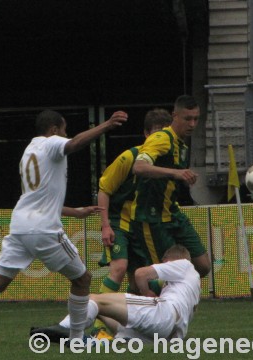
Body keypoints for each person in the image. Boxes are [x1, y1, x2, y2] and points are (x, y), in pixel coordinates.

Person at [0, 109, 128, 352]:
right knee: (82, 279)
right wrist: (106, 126)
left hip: (20, 226)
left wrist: (75, 211)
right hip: (44, 230)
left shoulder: (29, 151)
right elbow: (74, 144)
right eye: (63, 129)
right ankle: (76, 339)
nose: (65, 134)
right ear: (53, 130)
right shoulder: (52, 144)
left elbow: (38, 199)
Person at [93, 108, 172, 339]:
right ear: (145, 134)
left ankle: (130, 328)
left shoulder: (167, 164)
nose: (159, 140)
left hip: (143, 225)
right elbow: (104, 189)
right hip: (119, 222)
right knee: (118, 267)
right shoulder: (129, 158)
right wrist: (105, 225)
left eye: (164, 135)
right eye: (155, 134)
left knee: (142, 280)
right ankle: (99, 327)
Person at [31, 244, 200, 343]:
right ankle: (91, 342)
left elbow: (141, 274)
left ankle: (67, 329)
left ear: (168, 260)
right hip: (164, 334)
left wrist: (147, 292)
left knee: (91, 299)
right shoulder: (191, 288)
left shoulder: (184, 264)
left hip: (162, 314)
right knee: (99, 311)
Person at [131, 95, 211, 278]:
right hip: (151, 218)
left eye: (196, 119)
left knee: (203, 266)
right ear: (174, 115)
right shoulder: (161, 138)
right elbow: (139, 167)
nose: (192, 124)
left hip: (172, 214)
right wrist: (175, 173)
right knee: (163, 274)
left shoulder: (181, 144)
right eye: (187, 119)